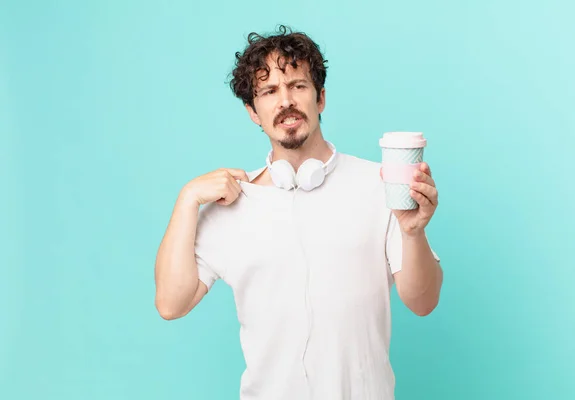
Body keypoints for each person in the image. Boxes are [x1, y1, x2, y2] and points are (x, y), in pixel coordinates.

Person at [154, 25, 443, 400]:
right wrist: (187, 198)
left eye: (297, 86)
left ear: (320, 98)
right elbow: (170, 304)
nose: (285, 101)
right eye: (269, 91)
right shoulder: (232, 205)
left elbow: (423, 303)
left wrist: (413, 231)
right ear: (253, 112)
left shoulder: (381, 185)